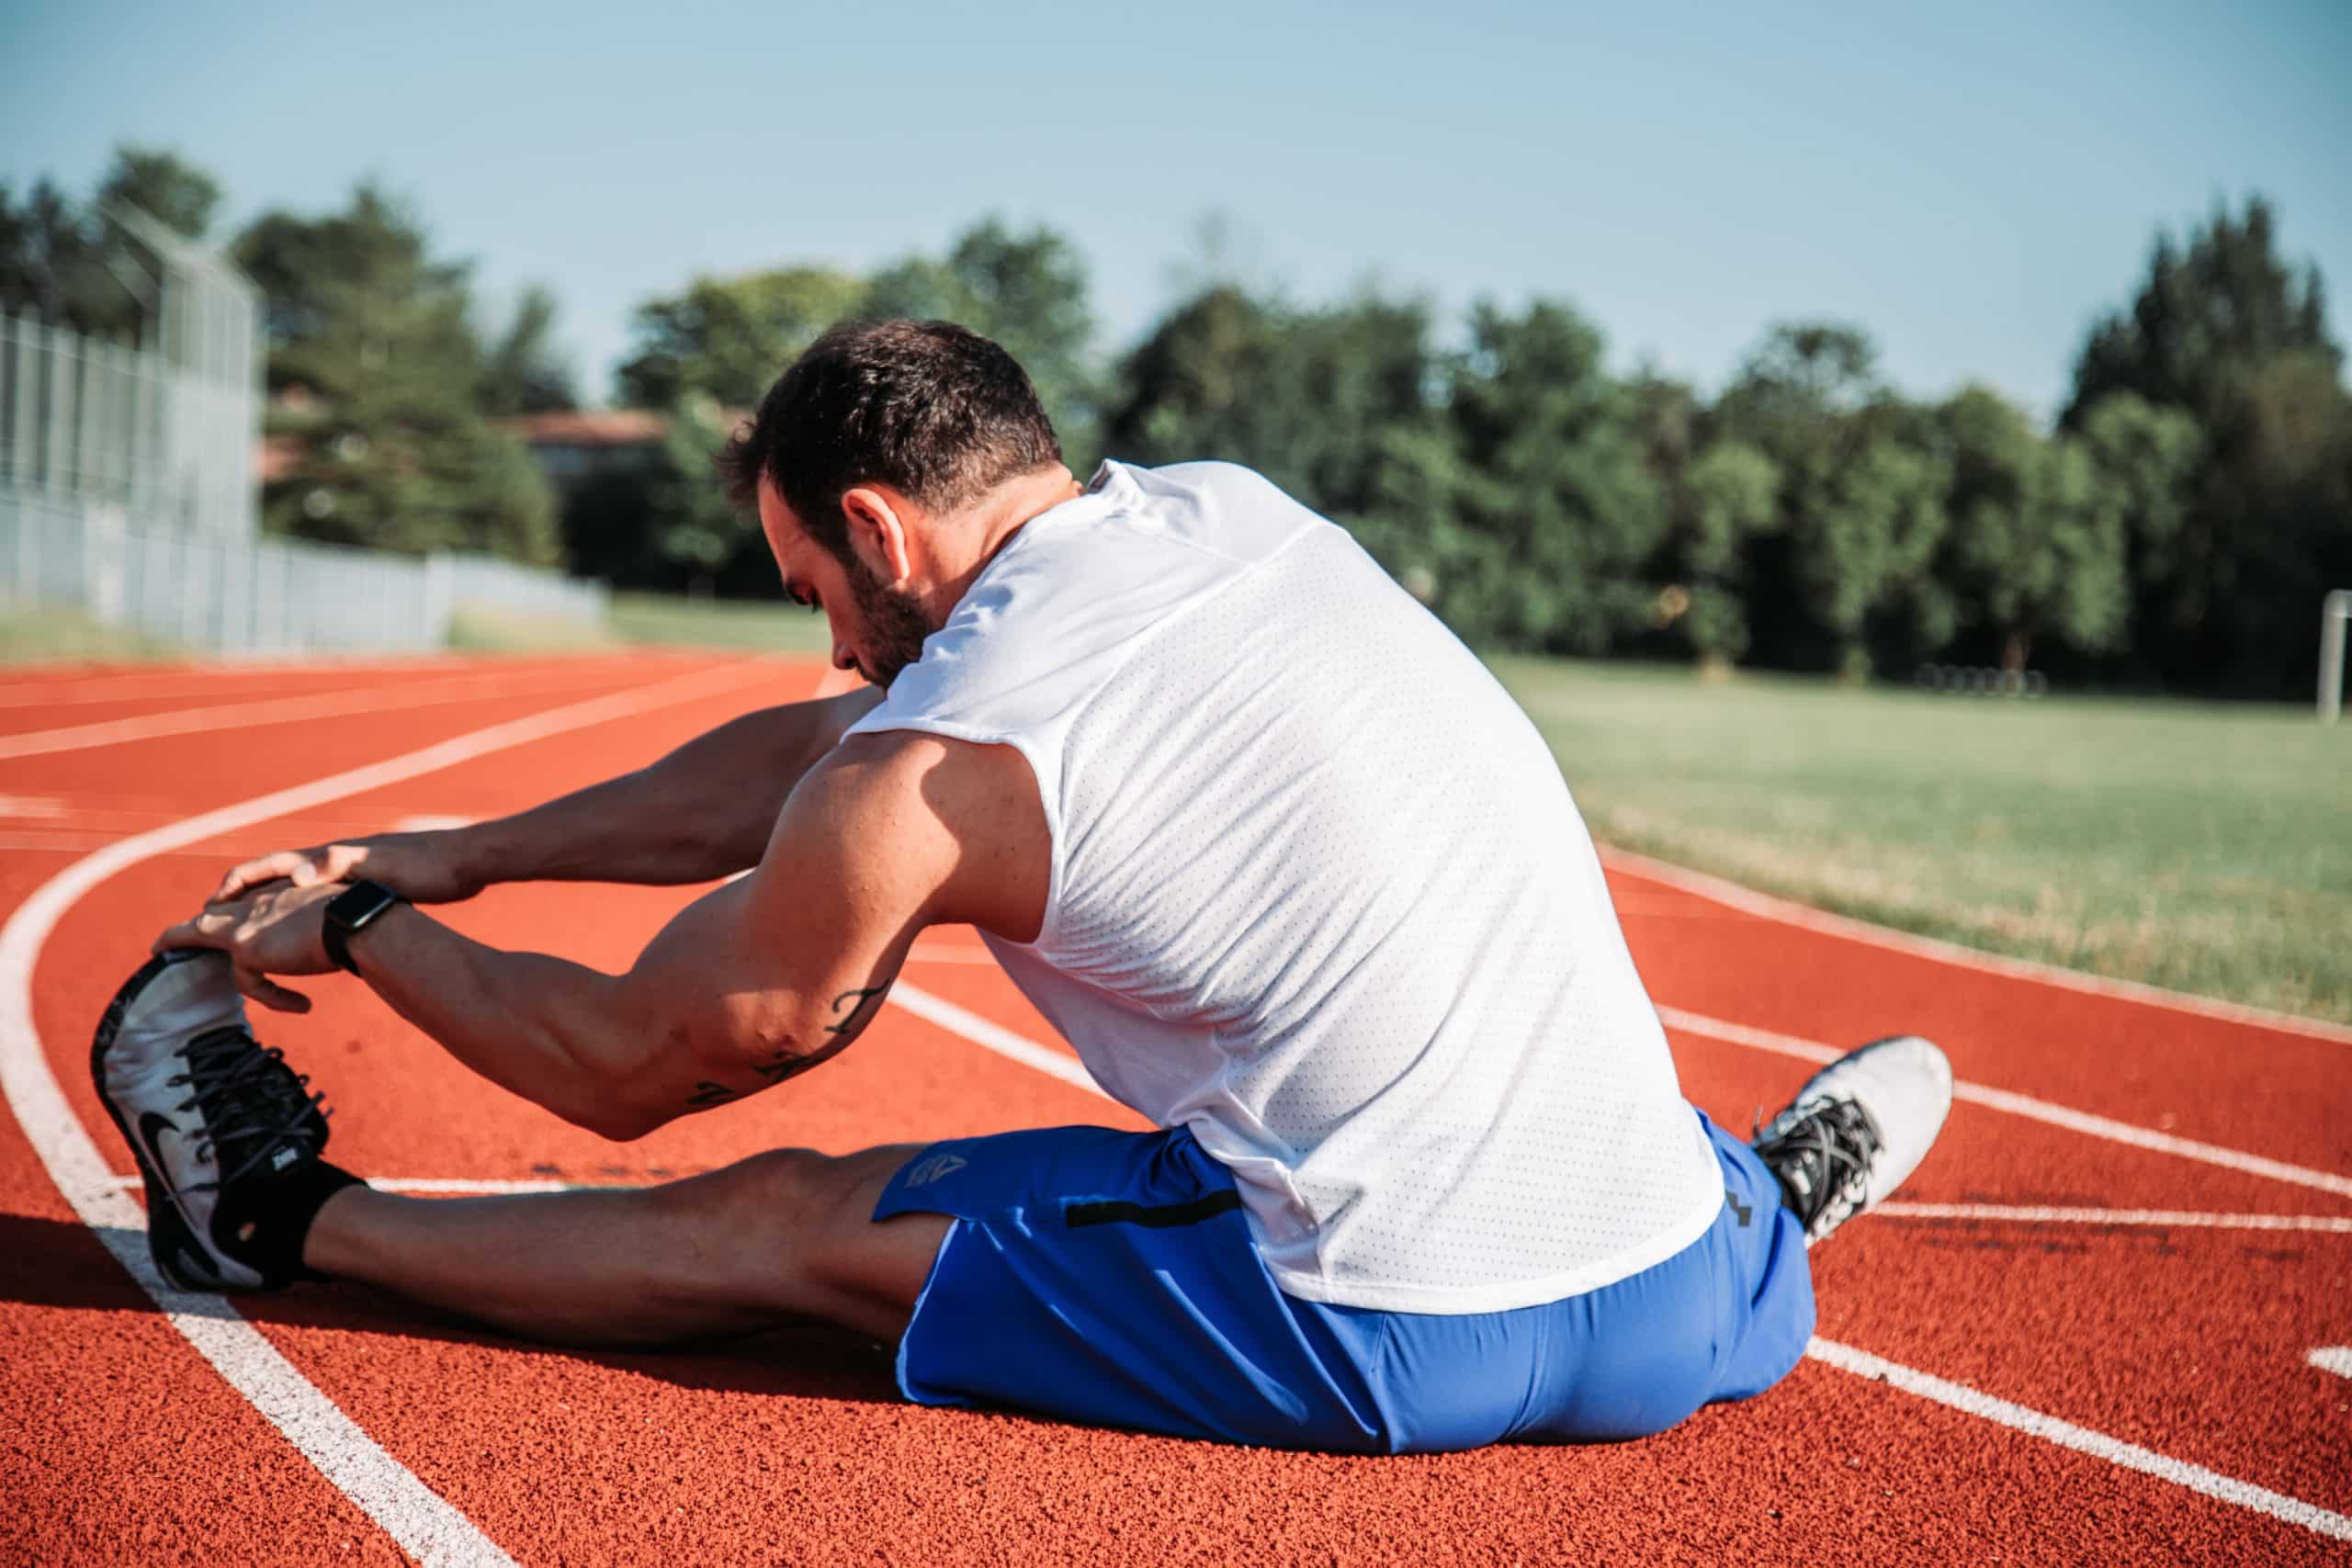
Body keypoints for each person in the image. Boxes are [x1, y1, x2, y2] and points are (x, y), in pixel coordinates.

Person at [94, 319, 1951, 1452]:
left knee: (773, 1223)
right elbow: (824, 755)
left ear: (880, 532)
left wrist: (359, 922)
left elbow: (628, 1058)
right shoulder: (1227, 515)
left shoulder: (926, 766)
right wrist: (463, 850)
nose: (822, 643)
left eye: (809, 586)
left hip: (1377, 1321)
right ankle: (1762, 1201)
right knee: (1536, 1053)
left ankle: (273, 1220)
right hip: (1670, 1305)